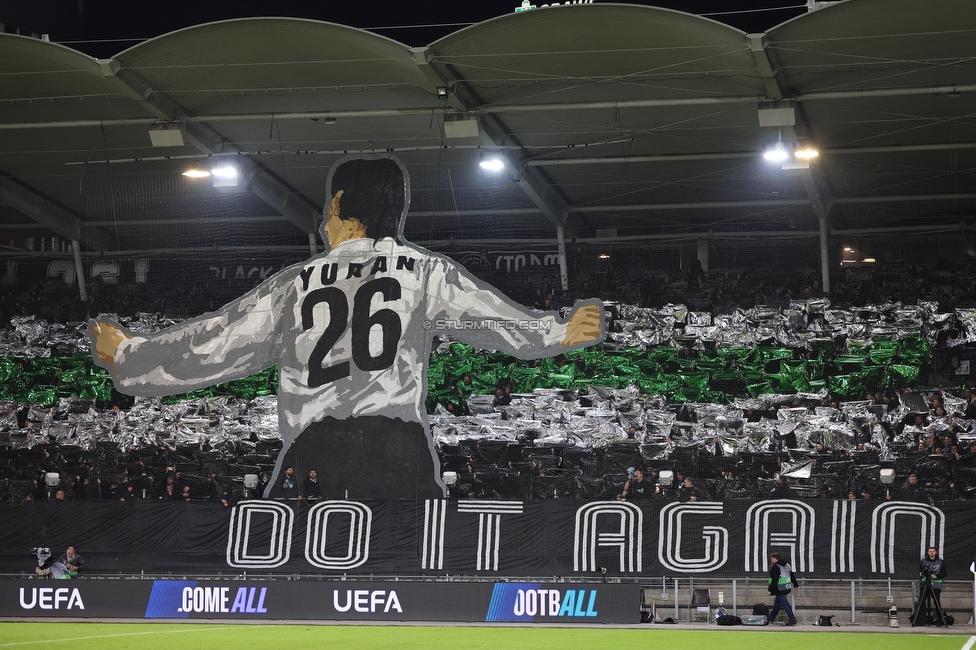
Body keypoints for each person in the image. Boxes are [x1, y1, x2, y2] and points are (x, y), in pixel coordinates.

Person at [89, 154, 605, 501]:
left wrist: (129, 356)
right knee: (412, 577)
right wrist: (558, 331)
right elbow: (493, 320)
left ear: (337, 206)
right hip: (399, 450)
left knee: (295, 585)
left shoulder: (298, 283)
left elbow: (217, 343)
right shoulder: (425, 270)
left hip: (317, 448)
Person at [918, 546, 948, 625]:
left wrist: (937, 576)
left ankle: (939, 620)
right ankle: (921, 620)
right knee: (921, 602)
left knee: (937, 602)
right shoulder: (924, 561)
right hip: (925, 584)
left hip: (936, 585)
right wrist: (922, 574)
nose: (931, 553)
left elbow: (945, 573)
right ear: (928, 552)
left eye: (933, 551)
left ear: (936, 552)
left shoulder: (940, 562)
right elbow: (920, 571)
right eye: (930, 551)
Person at [767, 552, 798, 625]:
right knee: (777, 604)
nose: (771, 561)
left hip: (780, 588)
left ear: (775, 559)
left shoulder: (776, 567)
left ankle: (792, 619)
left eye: (772, 559)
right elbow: (792, 575)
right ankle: (771, 617)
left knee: (785, 603)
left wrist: (770, 589)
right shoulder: (786, 565)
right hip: (787, 587)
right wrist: (796, 585)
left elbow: (775, 579)